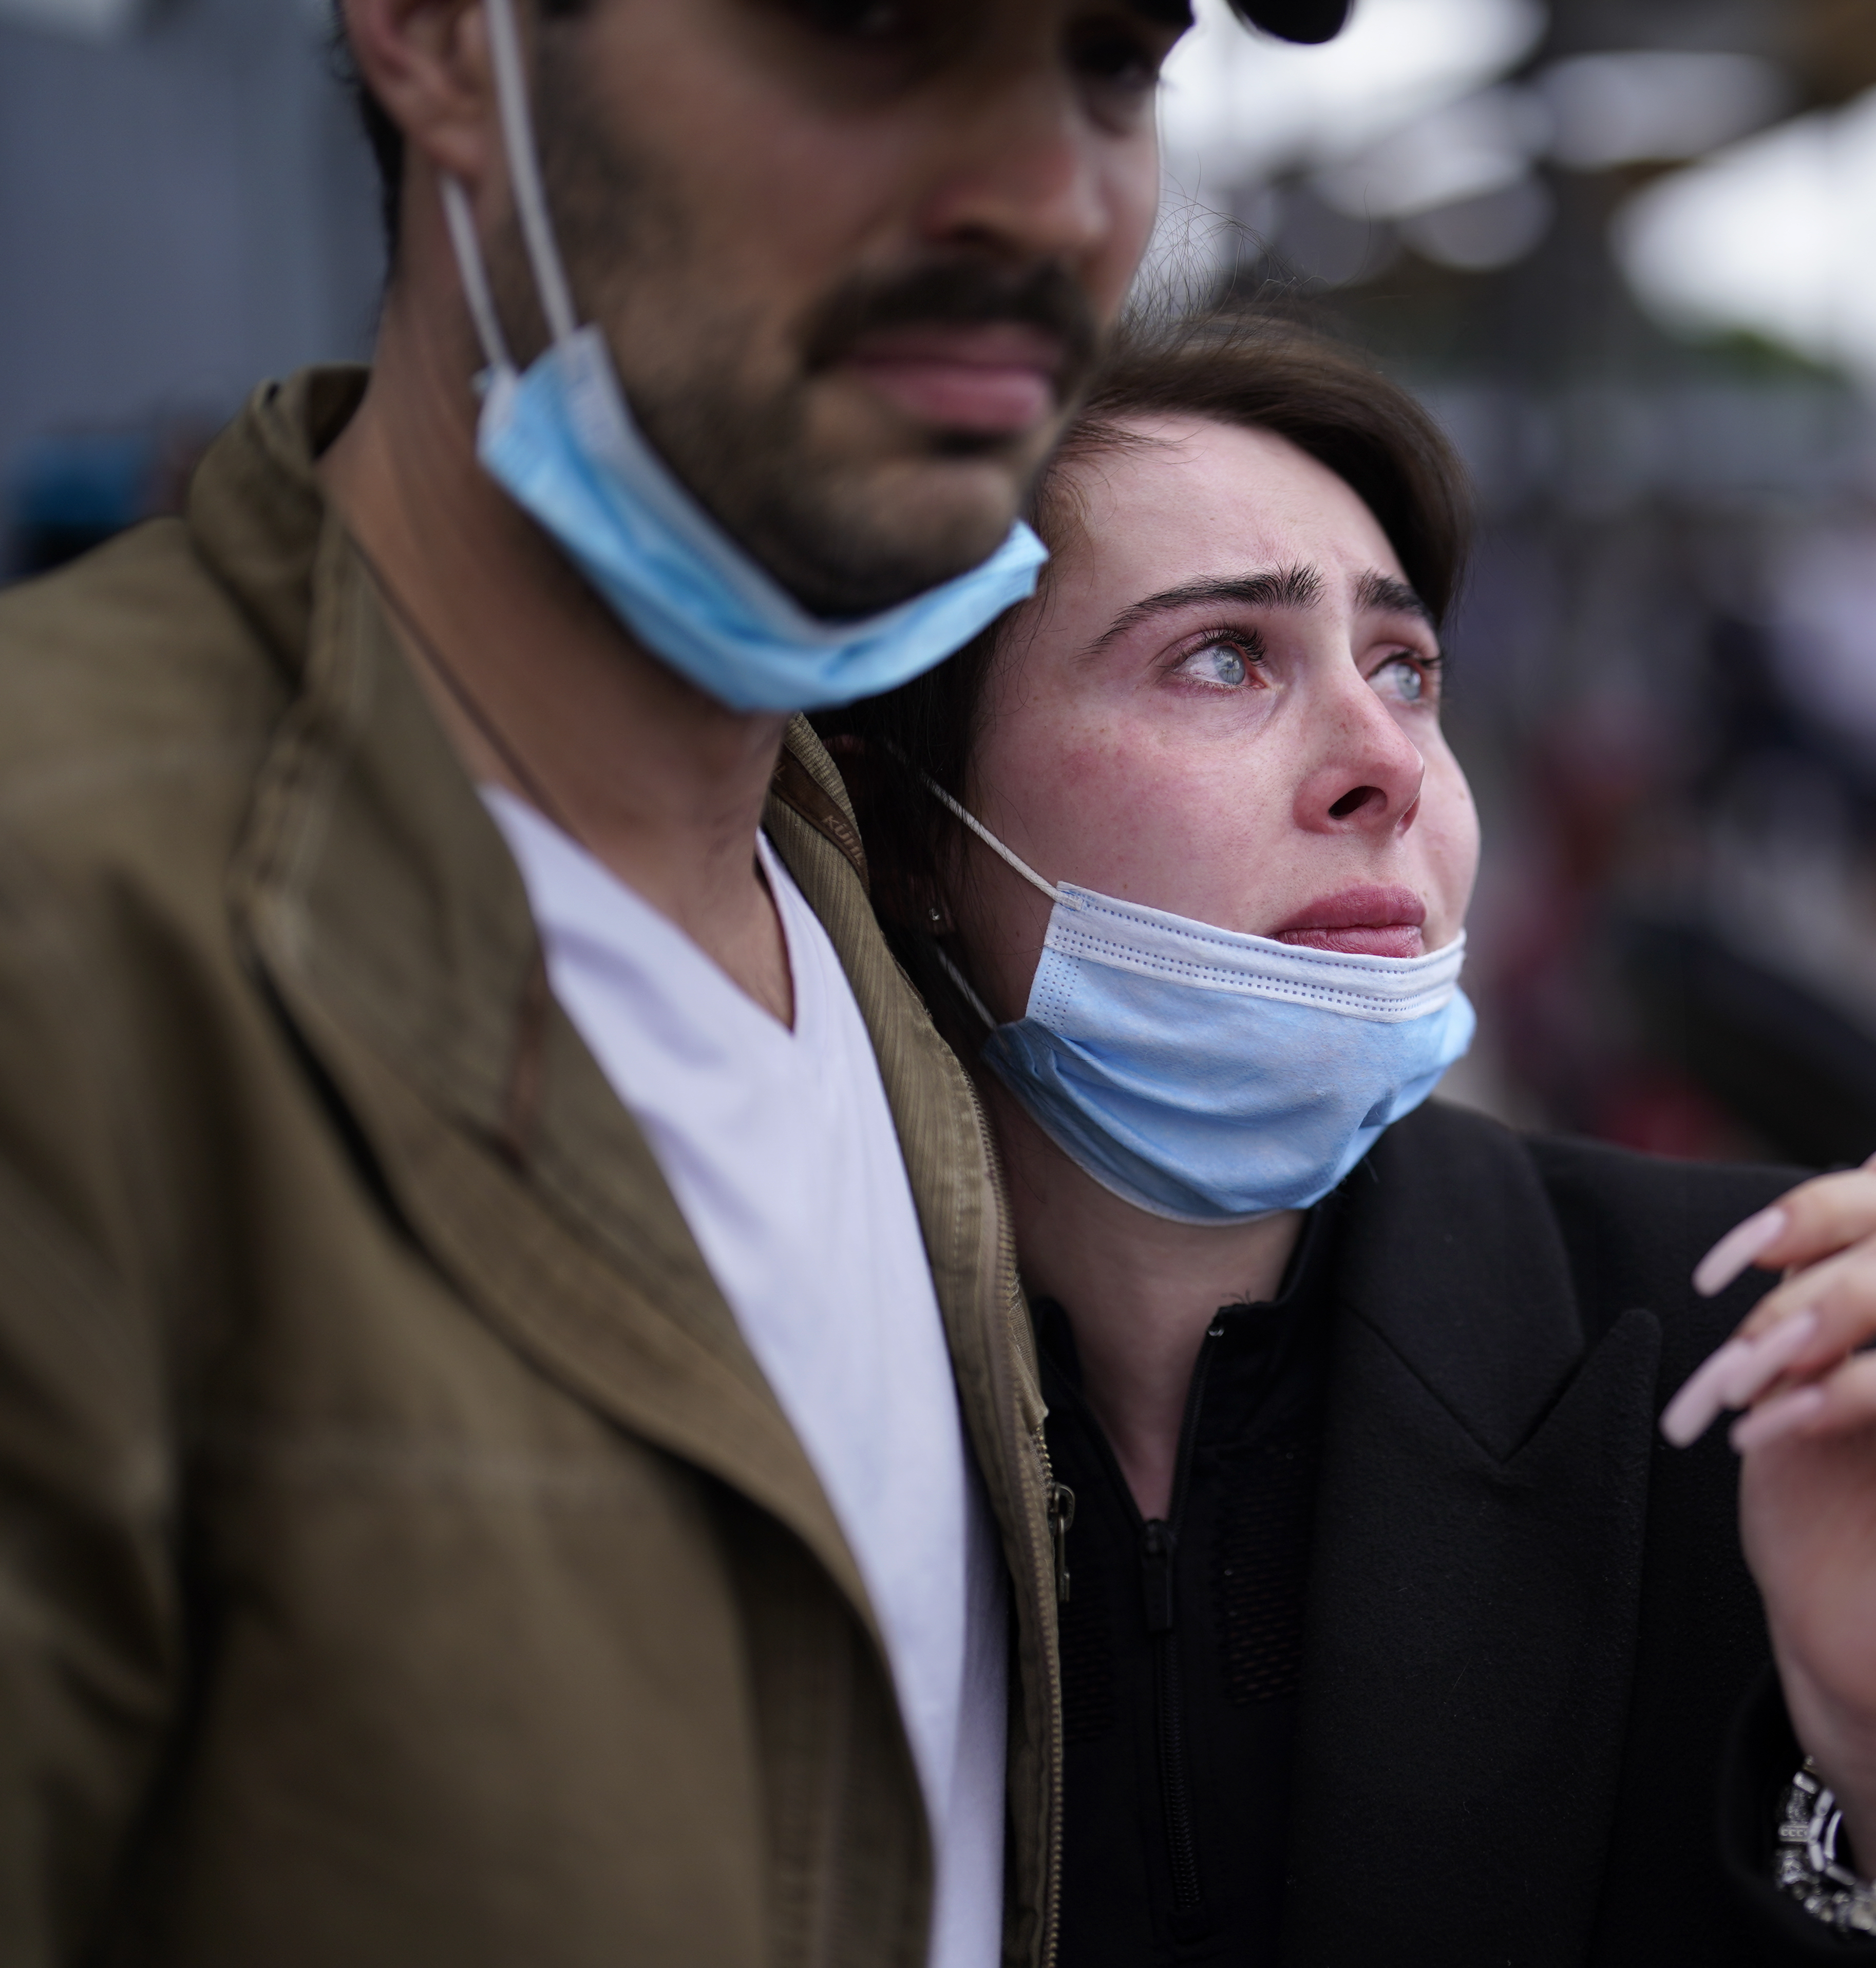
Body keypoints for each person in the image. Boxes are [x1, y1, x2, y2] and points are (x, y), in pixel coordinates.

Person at [0, 0, 1348, 1962]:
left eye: (1115, 57)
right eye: (879, 28)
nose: (1052, 197)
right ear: (443, 47)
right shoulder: (68, 940)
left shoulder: (868, 922)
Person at [817, 314, 1876, 1964]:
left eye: (1404, 670)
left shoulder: (1750, 1352)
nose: (1384, 764)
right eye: (1222, 659)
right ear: (909, 831)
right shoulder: (791, 1393)